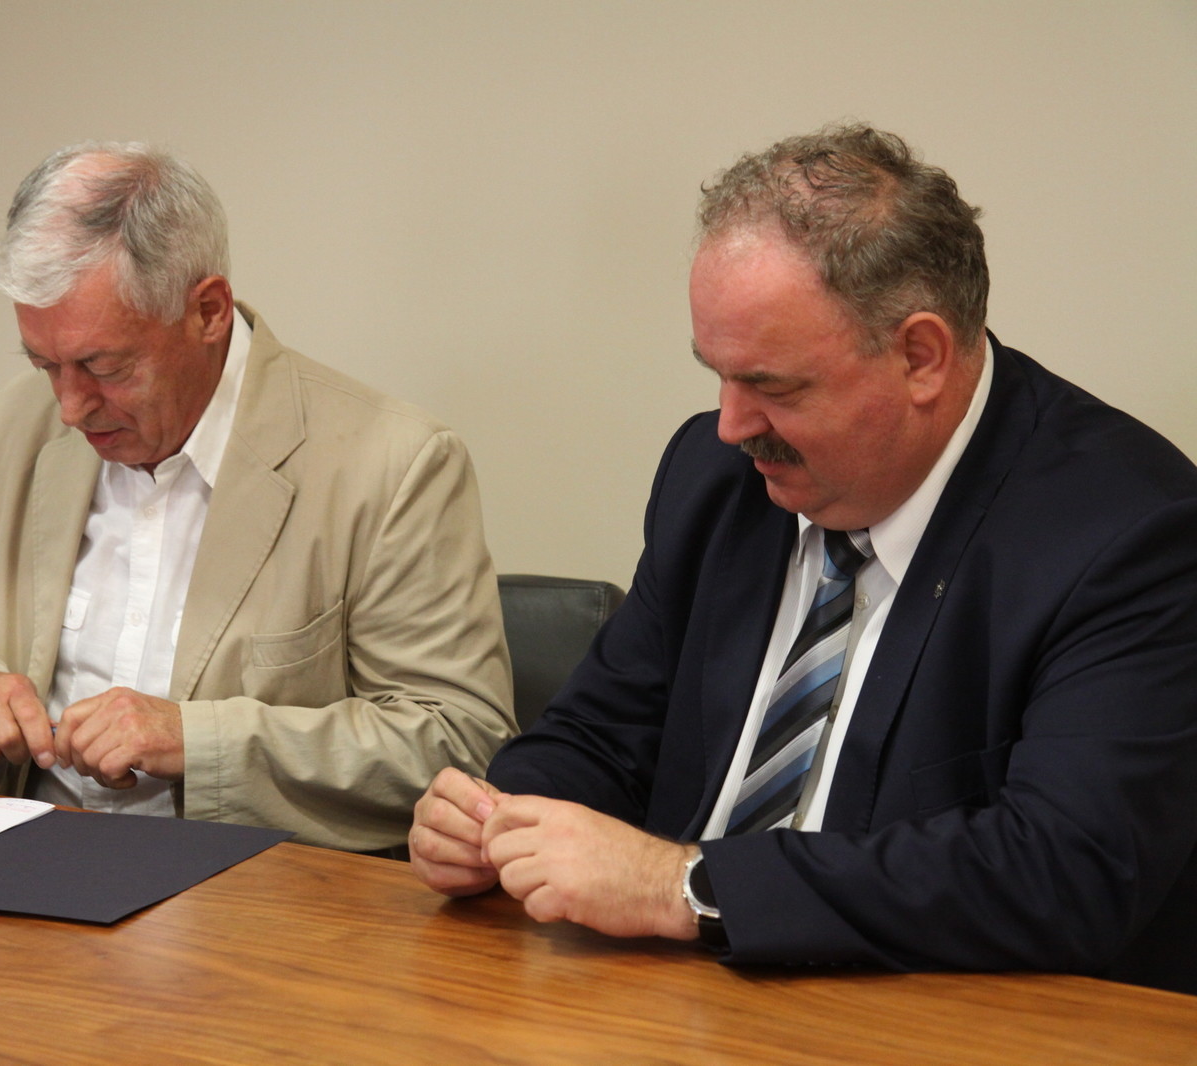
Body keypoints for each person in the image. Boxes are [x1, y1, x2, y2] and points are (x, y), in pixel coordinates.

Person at [409, 124, 1197, 993]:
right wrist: (497, 817)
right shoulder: (715, 479)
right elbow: (605, 732)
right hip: (664, 998)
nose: (730, 425)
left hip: (930, 1015)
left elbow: (1064, 871)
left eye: (772, 386)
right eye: (717, 373)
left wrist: (685, 887)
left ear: (921, 357)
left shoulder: (1131, 534)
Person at [0, 142, 514, 853]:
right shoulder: (21, 422)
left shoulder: (392, 463)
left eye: (102, 366)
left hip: (255, 890)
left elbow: (457, 737)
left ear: (208, 312)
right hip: (29, 855)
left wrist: (195, 739)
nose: (69, 407)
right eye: (45, 365)